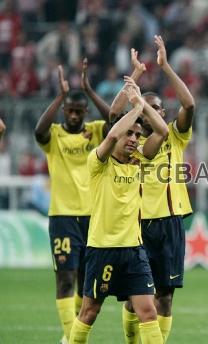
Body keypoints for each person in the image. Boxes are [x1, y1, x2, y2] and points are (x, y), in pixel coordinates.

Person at [69, 78, 168, 344]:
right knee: (90, 311)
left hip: (134, 250)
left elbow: (162, 132)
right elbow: (112, 134)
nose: (135, 139)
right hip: (102, 248)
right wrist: (136, 108)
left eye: (138, 135)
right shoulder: (98, 162)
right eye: (131, 134)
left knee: (148, 311)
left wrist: (141, 105)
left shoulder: (138, 162)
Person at [110, 36, 195, 344]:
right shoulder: (129, 141)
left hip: (171, 222)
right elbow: (112, 116)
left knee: (165, 296)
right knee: (134, 298)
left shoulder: (175, 136)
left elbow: (189, 104)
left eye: (159, 108)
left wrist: (165, 66)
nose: (154, 113)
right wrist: (134, 80)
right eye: (148, 109)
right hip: (137, 224)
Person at [34, 61, 110, 343]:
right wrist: (59, 96)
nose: (76, 116)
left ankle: (71, 337)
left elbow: (115, 120)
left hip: (93, 217)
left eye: (80, 111)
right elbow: (38, 132)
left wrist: (89, 90)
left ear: (85, 112)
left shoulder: (97, 130)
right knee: (65, 279)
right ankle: (71, 338)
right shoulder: (55, 136)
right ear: (65, 111)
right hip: (63, 217)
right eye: (71, 111)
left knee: (85, 283)